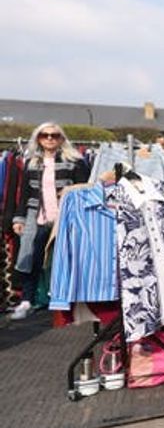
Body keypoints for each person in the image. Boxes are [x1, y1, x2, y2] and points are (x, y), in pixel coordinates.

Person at [10, 122, 91, 319]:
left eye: (54, 135)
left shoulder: (75, 161)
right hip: (37, 218)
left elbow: (87, 188)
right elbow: (25, 195)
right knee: (31, 257)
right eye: (45, 135)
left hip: (66, 218)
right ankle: (27, 299)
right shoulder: (32, 163)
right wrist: (18, 219)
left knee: (65, 259)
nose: (49, 139)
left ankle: (67, 301)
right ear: (38, 138)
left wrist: (69, 191)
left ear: (61, 138)